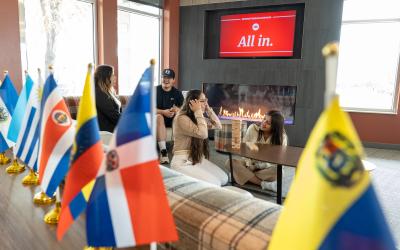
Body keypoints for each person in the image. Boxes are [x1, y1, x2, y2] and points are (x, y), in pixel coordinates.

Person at [171, 89, 228, 186]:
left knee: (224, 179)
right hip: (182, 162)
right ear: (192, 103)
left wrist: (208, 110)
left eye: (206, 100)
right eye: (202, 101)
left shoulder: (197, 117)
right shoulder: (181, 118)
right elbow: (203, 134)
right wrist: (198, 111)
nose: (205, 103)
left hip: (195, 159)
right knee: (216, 183)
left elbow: (219, 126)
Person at [226, 110, 287, 191]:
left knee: (279, 173)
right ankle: (263, 184)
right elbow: (244, 149)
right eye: (264, 119)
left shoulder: (281, 138)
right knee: (229, 162)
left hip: (266, 167)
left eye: (268, 123)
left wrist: (256, 167)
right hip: (249, 164)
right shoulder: (252, 128)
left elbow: (277, 162)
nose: (264, 123)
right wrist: (249, 165)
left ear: (275, 127)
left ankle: (239, 176)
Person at [157, 68, 184, 164]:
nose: (166, 80)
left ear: (173, 80)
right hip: (156, 120)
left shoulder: (177, 93)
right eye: (164, 77)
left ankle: (179, 149)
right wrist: (163, 112)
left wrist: (177, 110)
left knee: (179, 116)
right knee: (159, 116)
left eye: (169, 78)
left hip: (172, 119)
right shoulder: (155, 90)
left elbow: (183, 110)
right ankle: (163, 152)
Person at [95, 64, 121, 132]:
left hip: (114, 130)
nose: (115, 77)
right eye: (112, 75)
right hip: (106, 133)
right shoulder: (98, 93)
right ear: (105, 77)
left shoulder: (108, 92)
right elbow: (113, 115)